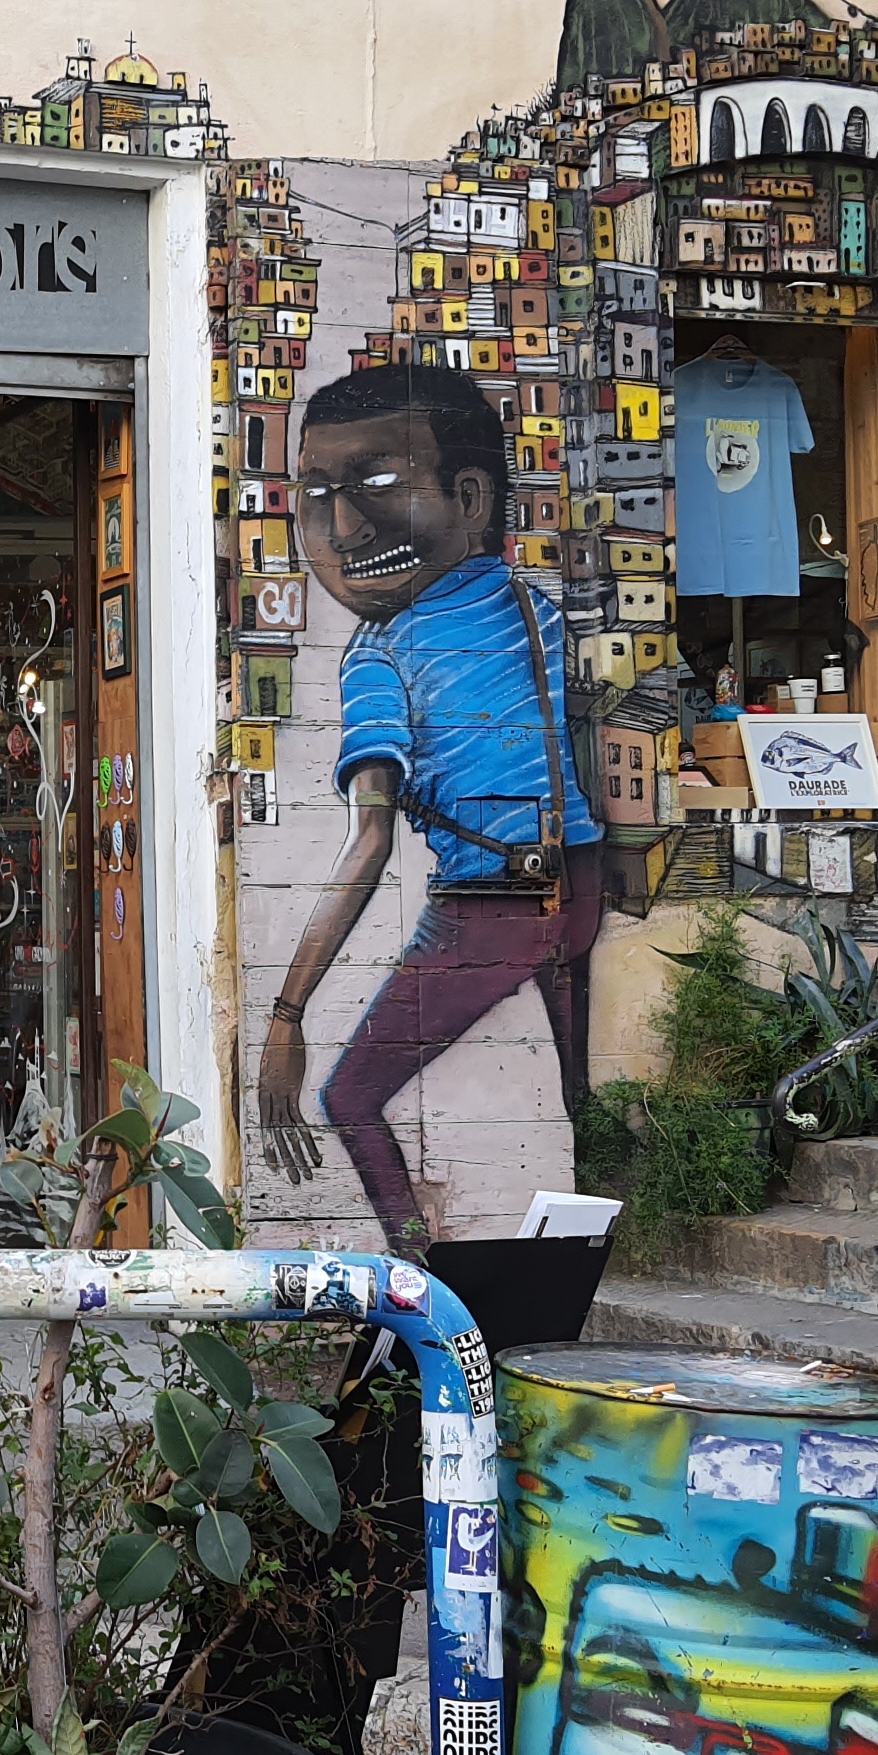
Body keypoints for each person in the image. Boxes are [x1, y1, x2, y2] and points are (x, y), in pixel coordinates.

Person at [255, 363, 604, 1247]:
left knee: (348, 1097)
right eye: (317, 497)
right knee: (585, 1096)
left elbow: (369, 846)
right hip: (580, 883)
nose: (342, 528)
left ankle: (423, 1280)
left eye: (376, 484)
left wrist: (287, 1015)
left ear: (472, 498)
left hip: (490, 907)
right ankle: (615, 1241)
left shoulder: (380, 655)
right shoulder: (534, 606)